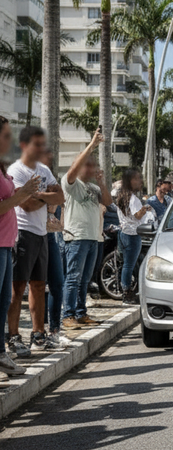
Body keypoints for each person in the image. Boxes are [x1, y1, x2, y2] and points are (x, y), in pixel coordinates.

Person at [7, 126, 65, 354]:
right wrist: (46, 197)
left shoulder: (43, 169)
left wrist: (38, 194)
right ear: (24, 145)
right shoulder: (16, 170)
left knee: (39, 285)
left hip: (42, 233)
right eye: (37, 144)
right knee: (17, 287)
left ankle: (38, 335)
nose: (42, 148)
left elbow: (60, 197)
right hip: (23, 233)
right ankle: (13, 337)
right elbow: (26, 205)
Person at [0, 117, 40, 377]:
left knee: (4, 301)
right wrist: (22, 194)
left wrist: (22, 192)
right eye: (5, 135)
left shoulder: (2, 168)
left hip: (6, 244)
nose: (10, 140)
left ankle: (1, 355)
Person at [61, 129, 111, 328]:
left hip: (93, 238)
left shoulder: (94, 188)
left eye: (93, 166)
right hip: (76, 237)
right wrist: (92, 145)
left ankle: (81, 313)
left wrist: (101, 182)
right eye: (87, 165)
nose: (92, 169)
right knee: (73, 278)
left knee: (85, 280)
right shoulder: (71, 183)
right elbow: (73, 171)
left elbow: (108, 201)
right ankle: (68, 315)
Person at [39, 149, 69, 344]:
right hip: (32, 234)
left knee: (57, 283)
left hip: (50, 235)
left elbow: (58, 201)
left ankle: (54, 330)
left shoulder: (49, 177)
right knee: (37, 285)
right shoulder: (25, 174)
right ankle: (38, 332)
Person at [115, 168, 151, 306]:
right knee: (129, 265)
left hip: (123, 233)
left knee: (126, 264)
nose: (140, 181)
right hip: (133, 234)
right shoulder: (133, 199)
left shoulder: (122, 196)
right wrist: (145, 209)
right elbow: (137, 216)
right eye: (137, 179)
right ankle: (127, 293)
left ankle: (126, 289)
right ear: (130, 181)